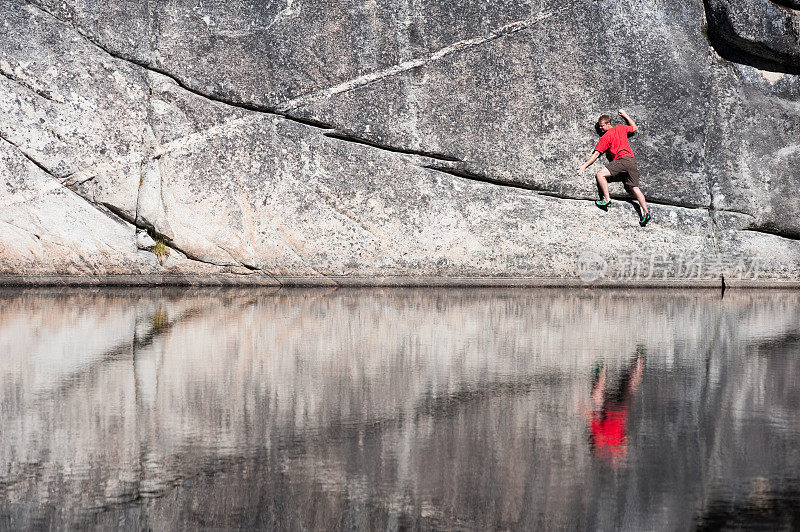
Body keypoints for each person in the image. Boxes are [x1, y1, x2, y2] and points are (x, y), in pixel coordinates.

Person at [577, 110, 650, 227]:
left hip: (622, 160)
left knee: (600, 175)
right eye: (599, 127)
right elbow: (634, 128)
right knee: (634, 188)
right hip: (631, 161)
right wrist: (625, 115)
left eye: (602, 126)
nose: (600, 129)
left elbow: (596, 154)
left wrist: (584, 166)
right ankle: (646, 212)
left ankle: (606, 200)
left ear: (608, 124)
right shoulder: (621, 128)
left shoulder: (606, 137)